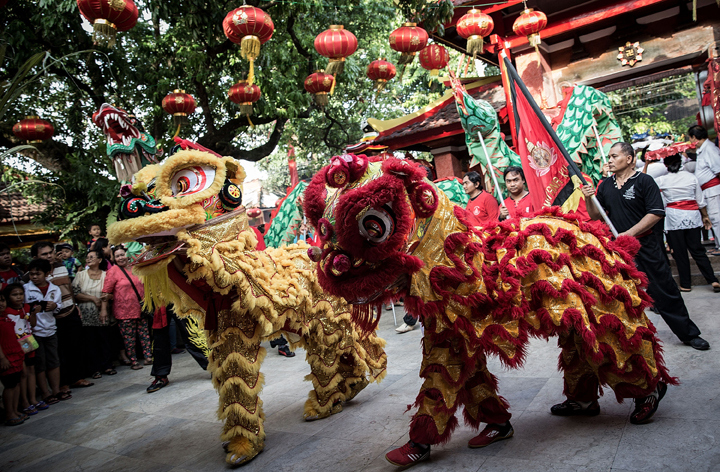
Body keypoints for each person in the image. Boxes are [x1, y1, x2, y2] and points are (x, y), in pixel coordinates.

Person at [582, 142, 710, 351]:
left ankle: (689, 333)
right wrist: (589, 199)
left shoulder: (644, 181)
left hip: (646, 246)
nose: (610, 160)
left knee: (664, 290)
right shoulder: (605, 185)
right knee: (621, 294)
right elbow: (596, 215)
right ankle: (628, 341)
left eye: (614, 156)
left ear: (630, 158)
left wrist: (629, 234)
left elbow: (656, 212)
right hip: (617, 249)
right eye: (610, 157)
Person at [654, 153, 720, 293]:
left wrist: (647, 165)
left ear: (666, 165)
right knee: (698, 250)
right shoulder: (691, 177)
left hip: (674, 218)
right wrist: (705, 216)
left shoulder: (662, 180)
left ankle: (686, 284)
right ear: (680, 162)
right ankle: (713, 279)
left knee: (679, 253)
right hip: (693, 216)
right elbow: (700, 201)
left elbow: (646, 185)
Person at [31, 241, 92, 392]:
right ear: (35, 257)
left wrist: (75, 305)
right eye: (44, 254)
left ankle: (77, 378)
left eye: (50, 252)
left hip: (70, 311)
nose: (49, 256)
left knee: (75, 346)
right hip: (51, 319)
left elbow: (68, 287)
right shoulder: (33, 276)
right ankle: (62, 383)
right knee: (59, 351)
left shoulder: (61, 266)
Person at [100, 246, 152, 370]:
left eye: (122, 254)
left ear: (127, 254)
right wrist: (103, 310)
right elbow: (106, 292)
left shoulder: (136, 267)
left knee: (144, 333)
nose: (120, 258)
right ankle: (133, 360)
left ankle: (148, 356)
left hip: (140, 307)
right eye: (117, 256)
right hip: (124, 310)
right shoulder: (113, 271)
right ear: (114, 258)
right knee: (129, 338)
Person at [24, 258, 66, 404]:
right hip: (34, 332)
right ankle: (45, 392)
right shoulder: (25, 289)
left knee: (54, 360)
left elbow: (59, 306)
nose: (34, 277)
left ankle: (56, 390)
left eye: (38, 274)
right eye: (32, 274)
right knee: (40, 363)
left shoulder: (54, 288)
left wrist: (54, 306)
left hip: (50, 329)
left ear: (47, 273)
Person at [73, 249, 115, 378]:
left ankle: (107, 366)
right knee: (90, 342)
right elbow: (75, 294)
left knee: (104, 339)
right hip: (86, 315)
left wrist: (103, 303)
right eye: (87, 257)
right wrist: (92, 298)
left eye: (92, 257)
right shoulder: (80, 275)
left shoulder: (106, 275)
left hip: (103, 313)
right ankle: (94, 369)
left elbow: (110, 293)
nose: (88, 259)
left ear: (100, 260)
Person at [3, 283, 44, 416]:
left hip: (29, 342)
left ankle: (32, 399)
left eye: (21, 294)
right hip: (15, 346)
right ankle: (24, 402)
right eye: (14, 295)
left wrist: (33, 314)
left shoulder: (26, 307)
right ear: (7, 297)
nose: (19, 297)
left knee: (31, 370)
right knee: (23, 374)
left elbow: (32, 324)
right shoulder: (5, 312)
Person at [688, 125, 720, 256]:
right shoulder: (703, 149)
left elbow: (718, 170)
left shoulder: (710, 149)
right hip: (708, 190)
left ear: (694, 137)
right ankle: (718, 245)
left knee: (717, 218)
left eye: (690, 138)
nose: (690, 141)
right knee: (714, 219)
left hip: (713, 189)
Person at [0, 292, 27, 426]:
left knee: (16, 383)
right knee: (9, 385)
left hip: (16, 353)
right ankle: (9, 413)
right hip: (5, 356)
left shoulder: (7, 317)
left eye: (3, 300)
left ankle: (15, 410)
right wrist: (2, 358)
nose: (1, 304)